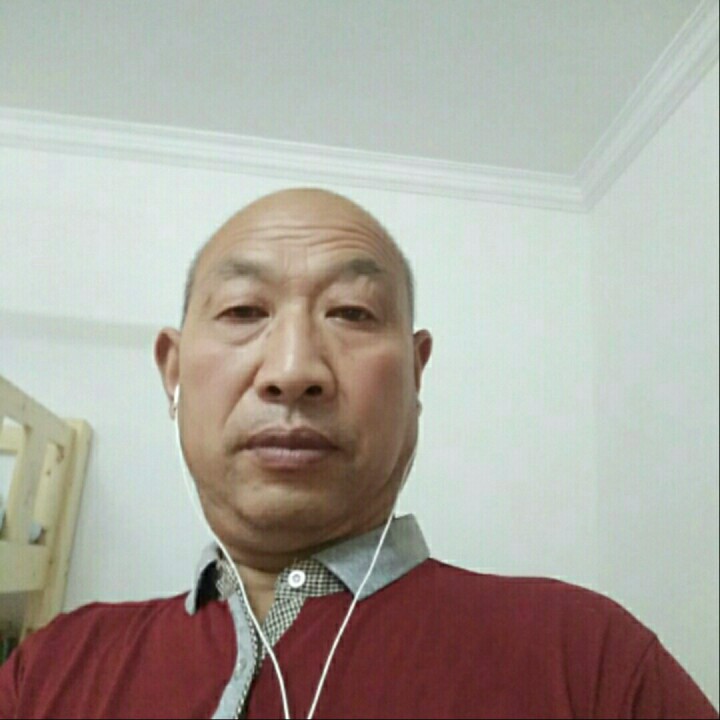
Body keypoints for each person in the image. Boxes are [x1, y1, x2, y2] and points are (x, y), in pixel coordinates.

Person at [0, 188, 716, 719]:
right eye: (243, 311)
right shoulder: (49, 668)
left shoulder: (587, 658)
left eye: (351, 313)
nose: (293, 369)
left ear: (416, 374)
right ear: (173, 369)